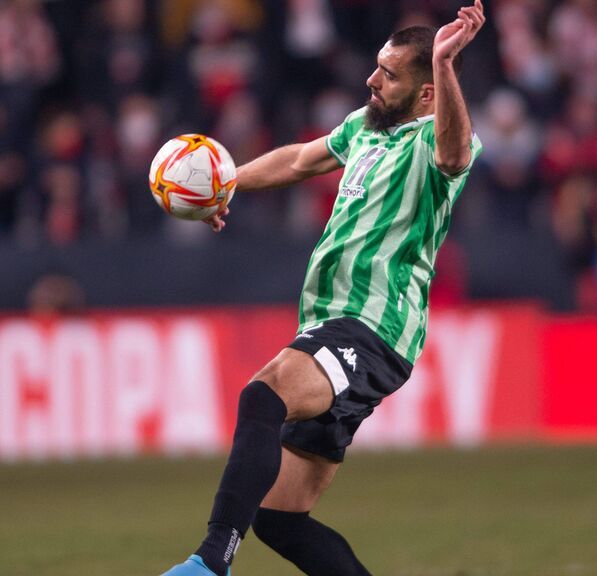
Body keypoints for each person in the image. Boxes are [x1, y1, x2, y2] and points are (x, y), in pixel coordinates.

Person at [161, 3, 486, 575]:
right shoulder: (365, 127)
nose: (372, 79)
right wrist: (226, 185)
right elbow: (299, 160)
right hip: (330, 325)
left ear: (428, 94)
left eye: (388, 74)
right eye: (376, 67)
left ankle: (209, 563)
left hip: (374, 328)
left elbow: (455, 152)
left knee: (263, 394)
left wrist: (443, 64)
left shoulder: (437, 146)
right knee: (280, 517)